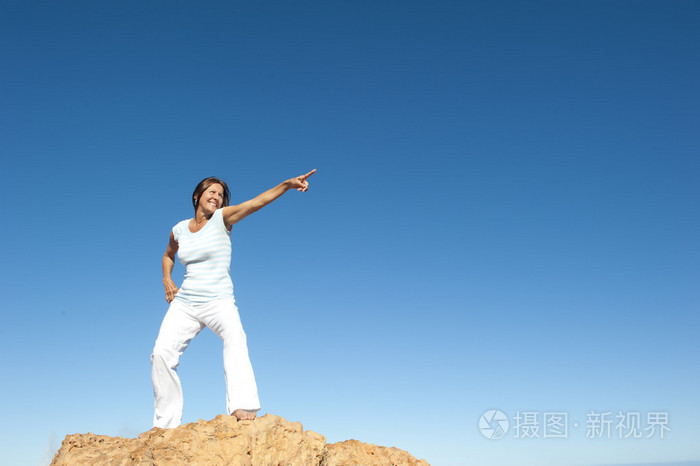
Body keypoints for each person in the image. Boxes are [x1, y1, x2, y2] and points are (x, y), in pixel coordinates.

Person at [145, 169, 316, 434]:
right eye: (211, 192)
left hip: (218, 300)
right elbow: (168, 255)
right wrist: (167, 280)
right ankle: (164, 425)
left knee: (235, 338)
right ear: (197, 196)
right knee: (161, 354)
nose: (216, 197)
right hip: (186, 303)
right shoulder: (179, 229)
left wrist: (285, 185)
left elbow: (255, 203)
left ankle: (242, 406)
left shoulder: (222, 219)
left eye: (221, 195)